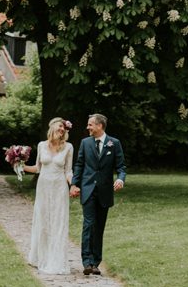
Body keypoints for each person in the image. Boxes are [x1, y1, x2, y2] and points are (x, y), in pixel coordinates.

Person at [69, 113, 126, 275]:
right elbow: (79, 164)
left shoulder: (114, 143)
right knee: (88, 224)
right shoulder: (85, 143)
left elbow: (121, 167)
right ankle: (86, 261)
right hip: (88, 190)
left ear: (99, 126)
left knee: (99, 227)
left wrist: (121, 179)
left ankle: (95, 262)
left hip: (105, 191)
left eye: (90, 125)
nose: (88, 127)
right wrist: (74, 184)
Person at [24, 116, 73, 275]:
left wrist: (74, 185)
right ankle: (39, 257)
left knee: (58, 222)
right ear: (52, 127)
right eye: (59, 127)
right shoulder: (42, 145)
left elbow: (68, 171)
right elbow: (37, 168)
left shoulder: (68, 147)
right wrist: (20, 165)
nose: (61, 130)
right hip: (43, 187)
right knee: (43, 220)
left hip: (59, 187)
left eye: (63, 128)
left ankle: (56, 260)